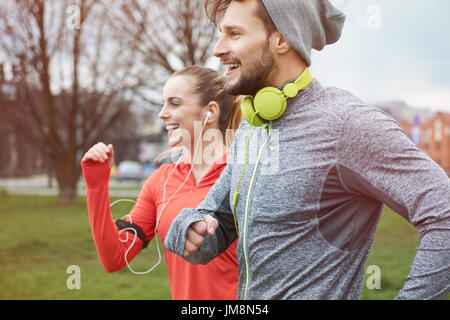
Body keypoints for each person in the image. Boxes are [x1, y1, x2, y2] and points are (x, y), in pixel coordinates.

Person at [164, 0, 450, 300]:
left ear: (282, 38)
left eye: (234, 34)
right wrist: (189, 228)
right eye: (221, 34)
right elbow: (215, 226)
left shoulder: (348, 125)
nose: (218, 49)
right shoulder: (253, 126)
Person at [81, 65, 242, 300]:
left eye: (174, 104)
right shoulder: (161, 181)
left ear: (211, 112)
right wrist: (96, 186)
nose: (162, 113)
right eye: (163, 103)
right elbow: (115, 257)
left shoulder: (244, 176)